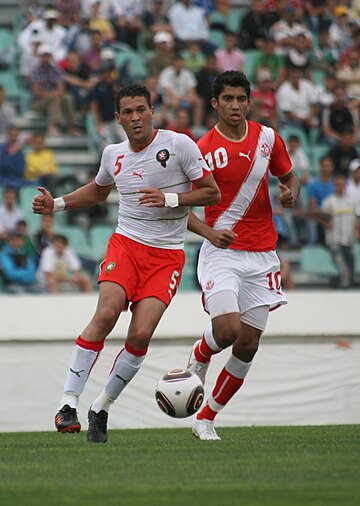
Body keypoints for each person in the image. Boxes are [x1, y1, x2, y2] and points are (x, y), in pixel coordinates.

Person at [32, 83, 220, 443]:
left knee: (140, 333)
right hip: (126, 246)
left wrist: (168, 198)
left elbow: (212, 192)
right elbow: (99, 191)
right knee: (106, 314)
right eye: (128, 112)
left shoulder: (179, 145)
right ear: (117, 118)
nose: (136, 117)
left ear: (153, 111)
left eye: (141, 110)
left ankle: (101, 407)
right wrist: (56, 204)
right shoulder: (113, 154)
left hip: (166, 256)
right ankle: (68, 402)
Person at [185, 70, 300, 440]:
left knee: (248, 344)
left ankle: (206, 417)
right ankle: (202, 352)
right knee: (227, 330)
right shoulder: (201, 150)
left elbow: (290, 177)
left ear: (249, 102)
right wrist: (208, 232)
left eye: (241, 99)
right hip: (223, 252)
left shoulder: (268, 139)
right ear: (215, 103)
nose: (235, 106)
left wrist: (290, 192)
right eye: (228, 99)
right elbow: (179, 208)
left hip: (263, 254)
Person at [321, 173, 357, 289]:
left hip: (349, 242)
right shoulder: (328, 202)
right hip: (334, 242)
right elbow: (322, 219)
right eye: (338, 185)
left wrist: (357, 231)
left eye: (342, 185)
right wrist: (325, 223)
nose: (340, 187)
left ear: (345, 186)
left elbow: (356, 219)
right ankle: (342, 290)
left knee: (351, 271)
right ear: (334, 185)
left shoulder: (351, 202)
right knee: (343, 270)